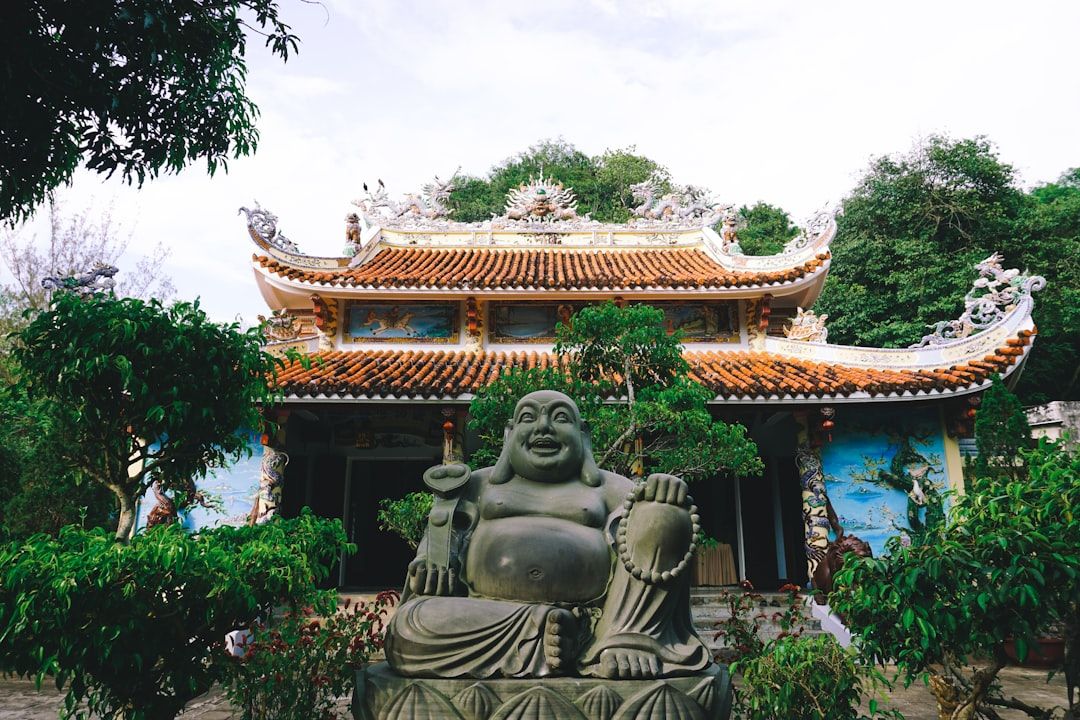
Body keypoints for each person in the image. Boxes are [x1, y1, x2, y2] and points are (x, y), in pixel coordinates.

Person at [385, 390, 710, 680]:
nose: (543, 427)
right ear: (510, 434)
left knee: (663, 511)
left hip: (597, 620)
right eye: (529, 417)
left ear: (583, 436)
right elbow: (444, 527)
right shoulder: (477, 485)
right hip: (488, 615)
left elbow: (653, 527)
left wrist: (661, 494)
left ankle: (628, 640)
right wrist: (431, 561)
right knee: (409, 627)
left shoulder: (610, 487)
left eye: (559, 418)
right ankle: (542, 627)